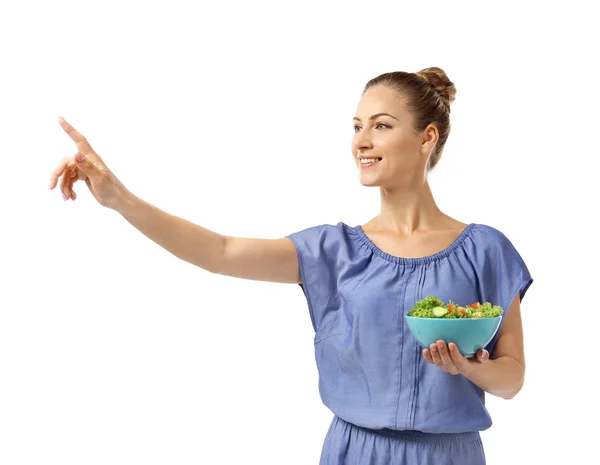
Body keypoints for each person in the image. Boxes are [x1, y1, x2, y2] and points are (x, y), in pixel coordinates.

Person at [48, 67, 533, 465]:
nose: (361, 140)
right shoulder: (335, 251)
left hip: (451, 456)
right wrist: (120, 200)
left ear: (427, 137)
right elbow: (219, 251)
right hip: (352, 452)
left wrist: (472, 369)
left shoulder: (485, 250)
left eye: (381, 125)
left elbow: (511, 378)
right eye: (357, 126)